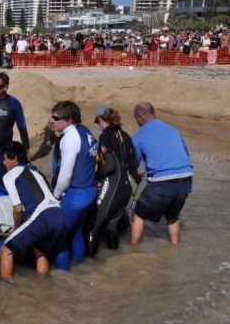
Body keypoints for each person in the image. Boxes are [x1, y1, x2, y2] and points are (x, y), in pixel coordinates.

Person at [0, 141, 66, 281]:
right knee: (39, 252)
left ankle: (5, 292)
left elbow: (17, 209)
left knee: (6, 250)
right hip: (58, 214)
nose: (4, 163)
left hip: (41, 216)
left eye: (5, 159)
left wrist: (16, 227)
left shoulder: (10, 175)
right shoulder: (36, 170)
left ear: (15, 159)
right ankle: (43, 287)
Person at [130, 102, 193, 245]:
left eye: (136, 119)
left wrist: (136, 177)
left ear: (140, 117)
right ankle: (175, 248)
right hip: (186, 179)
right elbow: (185, 155)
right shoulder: (173, 130)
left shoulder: (138, 136)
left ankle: (132, 251)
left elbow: (133, 164)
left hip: (162, 182)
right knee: (172, 216)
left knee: (139, 214)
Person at [86, 105, 140, 256]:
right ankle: (114, 262)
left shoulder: (105, 136)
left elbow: (110, 167)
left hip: (113, 185)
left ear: (103, 120)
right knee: (112, 227)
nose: (98, 126)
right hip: (126, 188)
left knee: (93, 229)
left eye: (98, 122)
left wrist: (96, 176)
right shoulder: (126, 136)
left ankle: (90, 269)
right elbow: (133, 166)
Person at [50, 101, 98, 267]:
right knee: (76, 232)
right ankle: (81, 270)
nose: (52, 121)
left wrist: (55, 196)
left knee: (58, 236)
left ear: (68, 120)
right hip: (90, 191)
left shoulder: (69, 138)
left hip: (77, 194)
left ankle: (62, 279)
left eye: (56, 118)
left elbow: (65, 175)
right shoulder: (84, 131)